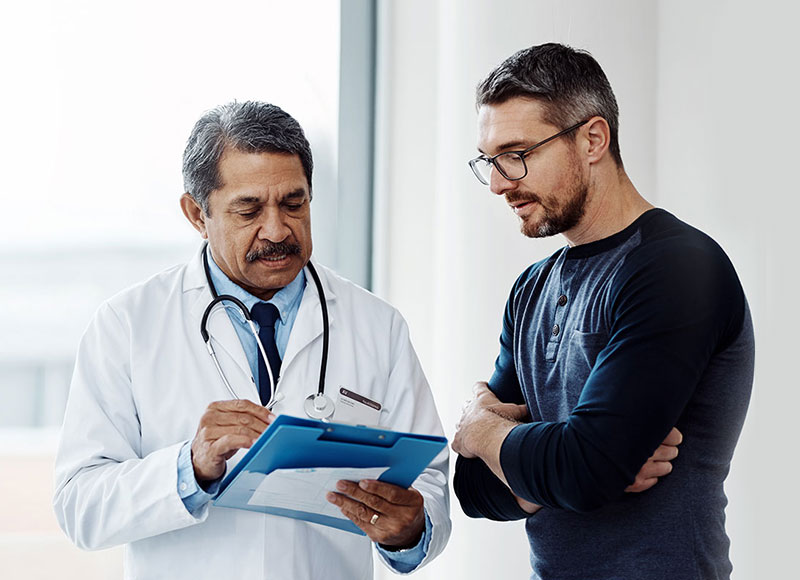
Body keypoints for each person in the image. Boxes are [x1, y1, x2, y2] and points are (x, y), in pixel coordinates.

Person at [53, 101, 450, 580]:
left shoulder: (375, 324)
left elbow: (428, 479)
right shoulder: (128, 324)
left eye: (293, 203)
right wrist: (191, 467)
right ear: (197, 214)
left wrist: (409, 531)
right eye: (249, 209)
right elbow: (80, 506)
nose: (277, 230)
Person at [452, 43, 754, 580]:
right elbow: (474, 489)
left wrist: (481, 431)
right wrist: (560, 464)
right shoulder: (530, 290)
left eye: (517, 153)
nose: (499, 182)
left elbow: (586, 469)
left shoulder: (679, 269)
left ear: (593, 138)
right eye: (489, 161)